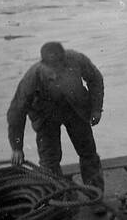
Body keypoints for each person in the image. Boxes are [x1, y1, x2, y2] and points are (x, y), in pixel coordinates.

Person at [7, 42, 105, 191]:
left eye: (61, 65)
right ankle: (56, 195)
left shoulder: (77, 60)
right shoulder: (32, 77)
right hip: (46, 115)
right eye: (52, 68)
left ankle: (95, 193)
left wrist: (96, 109)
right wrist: (17, 147)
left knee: (88, 152)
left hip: (75, 109)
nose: (56, 71)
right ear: (43, 64)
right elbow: (16, 112)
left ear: (65, 59)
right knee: (49, 161)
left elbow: (95, 79)